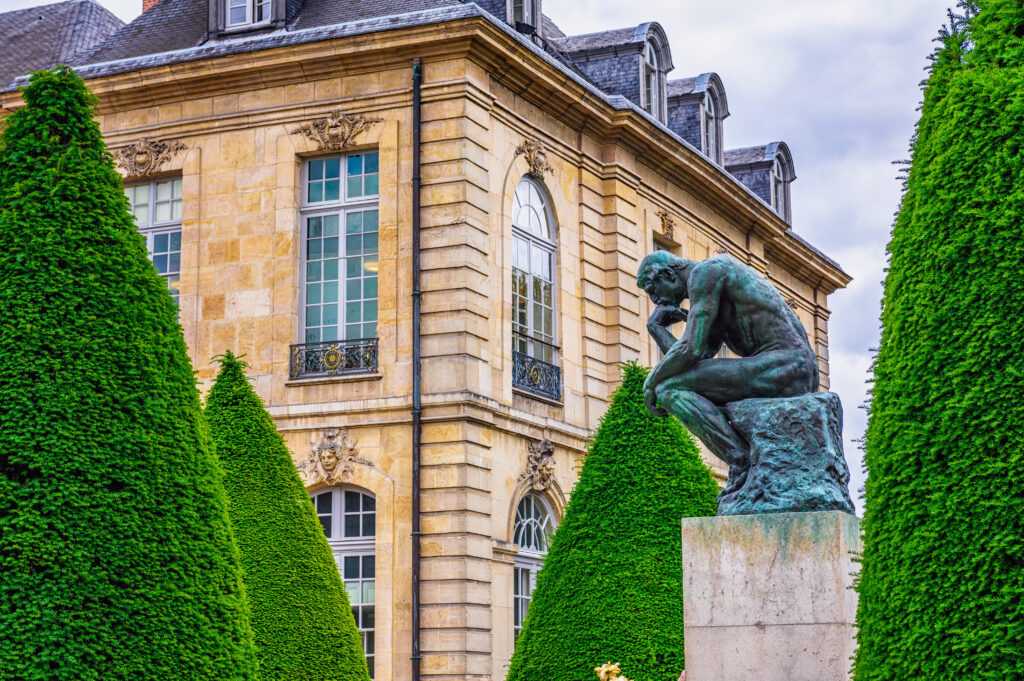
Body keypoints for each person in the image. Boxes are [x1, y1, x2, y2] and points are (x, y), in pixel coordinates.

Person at [637, 251, 818, 495]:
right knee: (672, 386)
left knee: (668, 388)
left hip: (786, 365)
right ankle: (743, 458)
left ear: (668, 275)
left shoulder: (706, 273)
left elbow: (690, 349)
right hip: (788, 368)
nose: (655, 300)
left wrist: (651, 381)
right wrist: (656, 328)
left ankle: (740, 459)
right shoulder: (710, 292)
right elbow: (693, 362)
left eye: (653, 290)